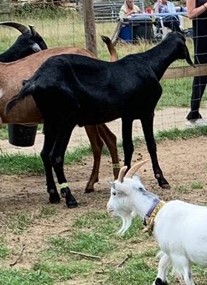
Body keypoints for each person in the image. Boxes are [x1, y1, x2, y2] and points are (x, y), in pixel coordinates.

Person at [186, 0, 207, 126]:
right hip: (202, 37)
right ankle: (194, 113)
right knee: (200, 75)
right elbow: (190, 14)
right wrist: (205, 6)